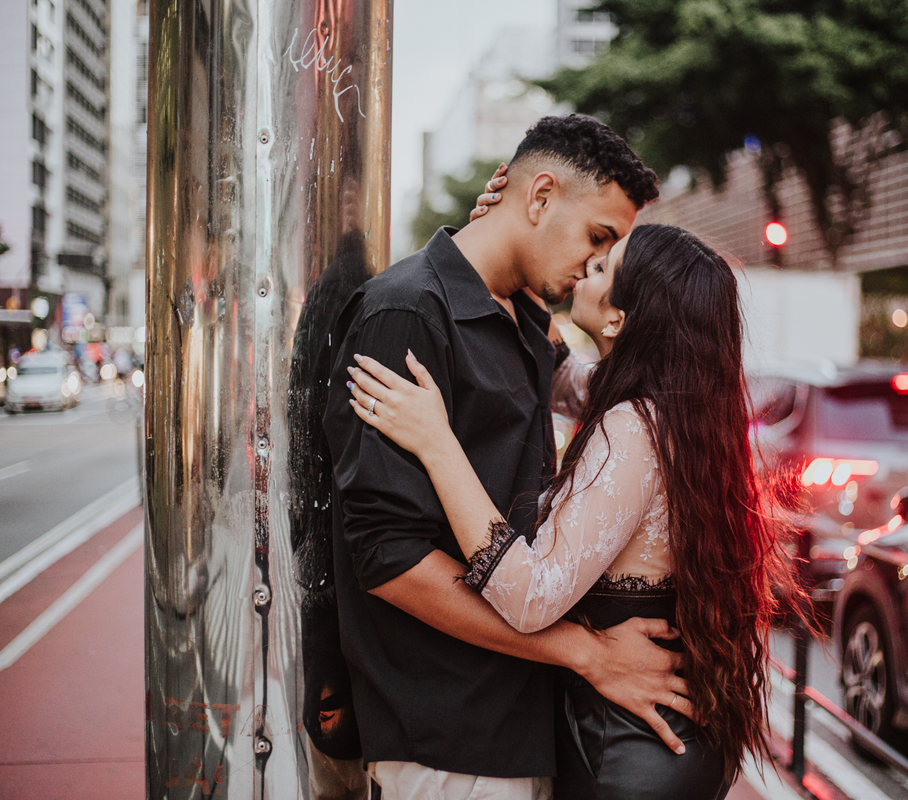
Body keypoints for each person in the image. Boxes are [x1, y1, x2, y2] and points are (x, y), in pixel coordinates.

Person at [346, 223, 793, 799]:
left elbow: (530, 596)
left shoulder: (632, 428)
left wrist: (436, 442)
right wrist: (509, 247)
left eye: (606, 267)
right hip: (660, 744)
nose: (589, 265)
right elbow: (556, 372)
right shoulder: (680, 410)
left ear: (619, 321)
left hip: (626, 754)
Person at [322, 115, 687, 800]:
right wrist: (587, 654)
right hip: (446, 739)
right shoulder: (405, 314)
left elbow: (601, 386)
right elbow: (389, 560)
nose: (597, 264)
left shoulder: (522, 319)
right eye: (599, 237)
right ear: (540, 197)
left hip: (517, 724)